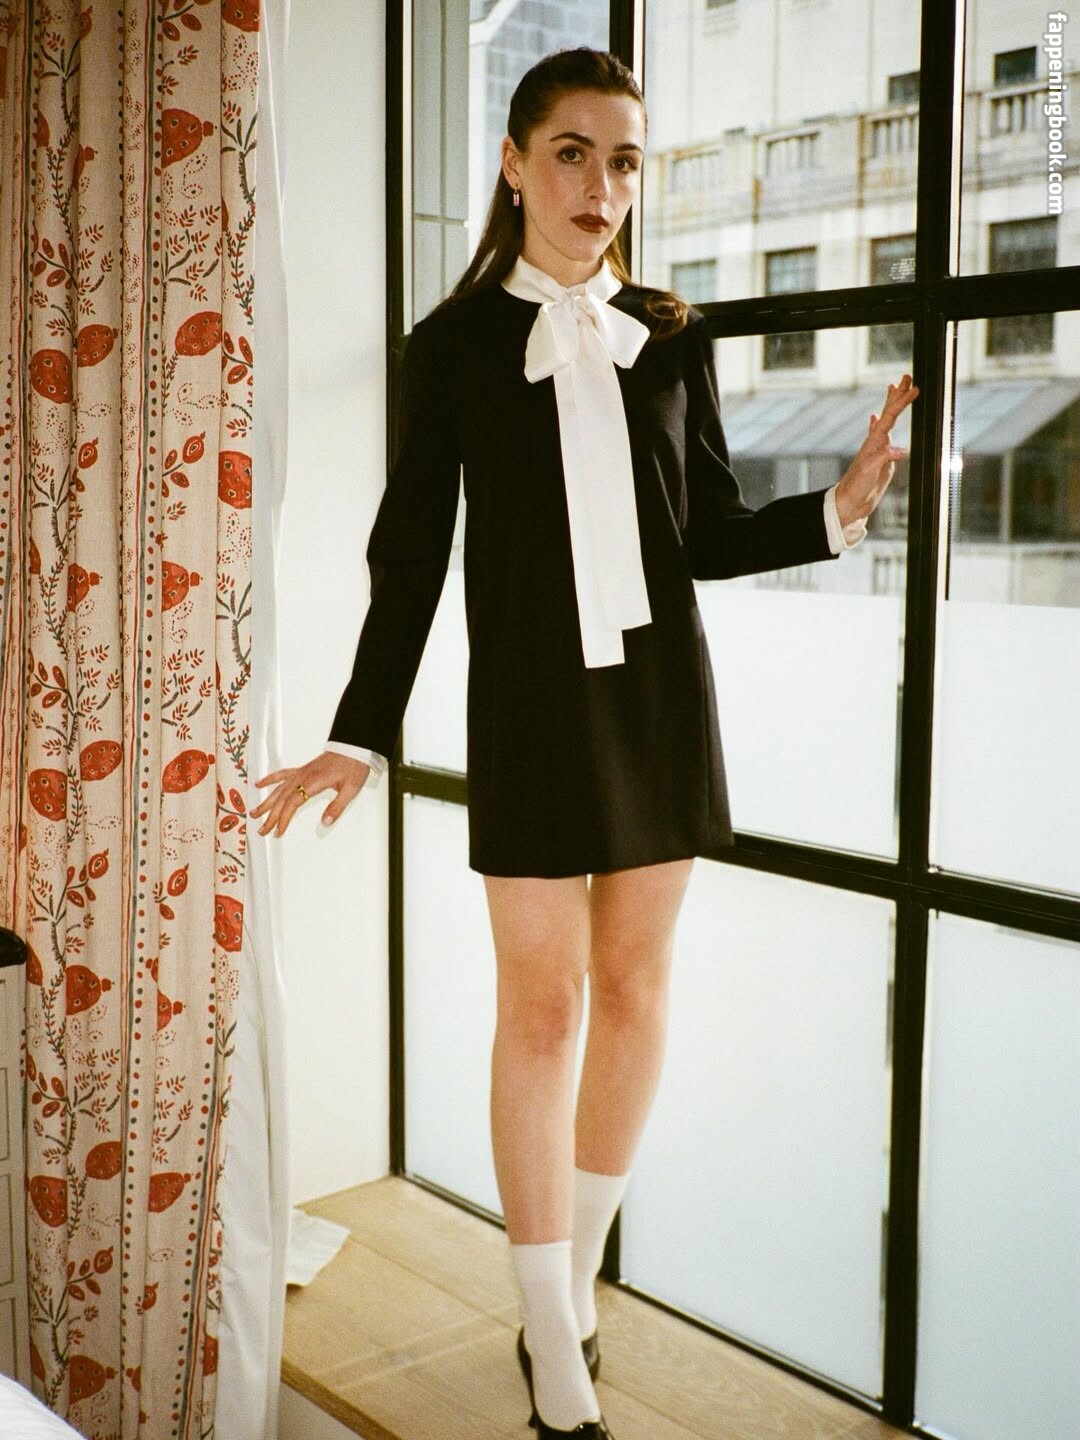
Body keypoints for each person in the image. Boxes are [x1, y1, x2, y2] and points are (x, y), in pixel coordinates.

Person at [253, 46, 918, 1440]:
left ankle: (569, 1291)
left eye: (624, 160)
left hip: (662, 698)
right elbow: (410, 559)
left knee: (631, 993)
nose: (600, 185)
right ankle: (551, 1337)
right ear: (513, 164)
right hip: (534, 712)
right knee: (543, 1009)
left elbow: (706, 533)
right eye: (572, 152)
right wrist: (357, 736)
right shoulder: (452, 348)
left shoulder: (669, 335)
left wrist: (837, 508)